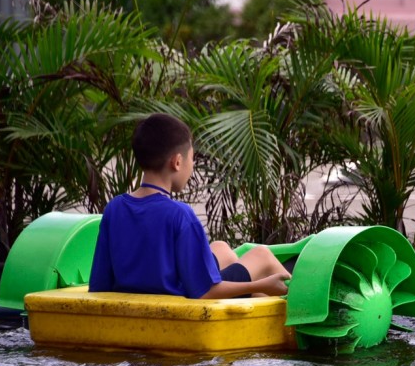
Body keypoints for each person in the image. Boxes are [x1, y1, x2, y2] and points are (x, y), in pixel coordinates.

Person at [89, 113, 291, 299]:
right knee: (261, 255)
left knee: (221, 249)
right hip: (185, 310)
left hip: (144, 308)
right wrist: (259, 285)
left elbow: (99, 285)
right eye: (192, 159)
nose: (192, 166)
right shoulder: (179, 215)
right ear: (177, 162)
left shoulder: (114, 209)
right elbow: (204, 292)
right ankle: (302, 318)